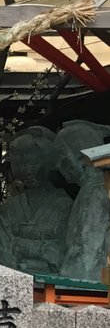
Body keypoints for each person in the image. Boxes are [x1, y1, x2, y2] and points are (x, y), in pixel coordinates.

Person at [0, 128, 73, 276]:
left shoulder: (64, 206)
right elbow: (2, 252)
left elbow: (63, 254)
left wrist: (22, 248)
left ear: (47, 161)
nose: (27, 170)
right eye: (22, 164)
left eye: (34, 163)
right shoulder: (10, 208)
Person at [54, 120, 110, 283]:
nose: (58, 165)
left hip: (90, 287)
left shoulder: (95, 192)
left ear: (81, 157)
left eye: (62, 157)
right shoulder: (97, 188)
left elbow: (87, 252)